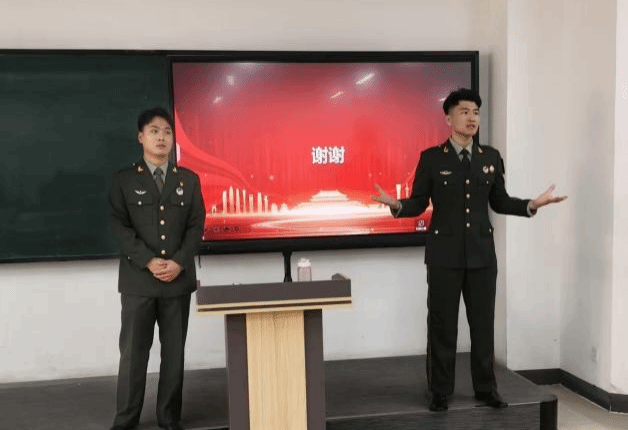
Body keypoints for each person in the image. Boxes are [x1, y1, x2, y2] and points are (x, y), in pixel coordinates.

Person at [372, 88, 566, 412]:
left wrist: (531, 204)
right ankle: (439, 391)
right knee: (442, 327)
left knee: (483, 326)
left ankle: (486, 389)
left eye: (476, 111)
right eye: (464, 111)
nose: (472, 117)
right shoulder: (432, 158)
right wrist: (397, 205)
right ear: (448, 118)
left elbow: (499, 201)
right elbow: (418, 202)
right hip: (443, 256)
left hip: (481, 257)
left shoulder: (490, 158)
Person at [108, 107, 205, 430]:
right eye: (154, 131)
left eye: (166, 131)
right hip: (139, 281)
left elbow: (196, 227)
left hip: (177, 281)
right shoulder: (124, 180)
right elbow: (120, 227)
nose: (161, 137)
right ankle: (126, 419)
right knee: (133, 355)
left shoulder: (188, 180)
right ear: (141, 137)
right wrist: (148, 260)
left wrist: (179, 262)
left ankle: (169, 417)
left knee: (174, 355)